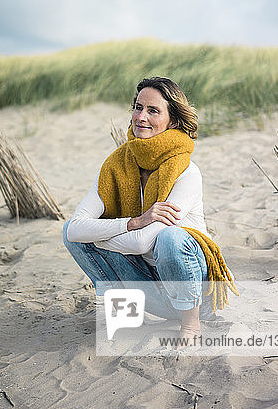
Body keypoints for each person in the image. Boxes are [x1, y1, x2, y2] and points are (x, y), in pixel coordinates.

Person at [63, 76, 237, 338]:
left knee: (170, 238)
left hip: (194, 293)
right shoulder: (117, 166)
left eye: (153, 110)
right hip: (149, 288)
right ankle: (127, 315)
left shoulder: (187, 172)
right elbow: (74, 231)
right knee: (73, 231)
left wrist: (98, 236)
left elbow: (141, 244)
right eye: (138, 107)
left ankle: (191, 325)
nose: (141, 116)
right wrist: (134, 221)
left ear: (173, 121)